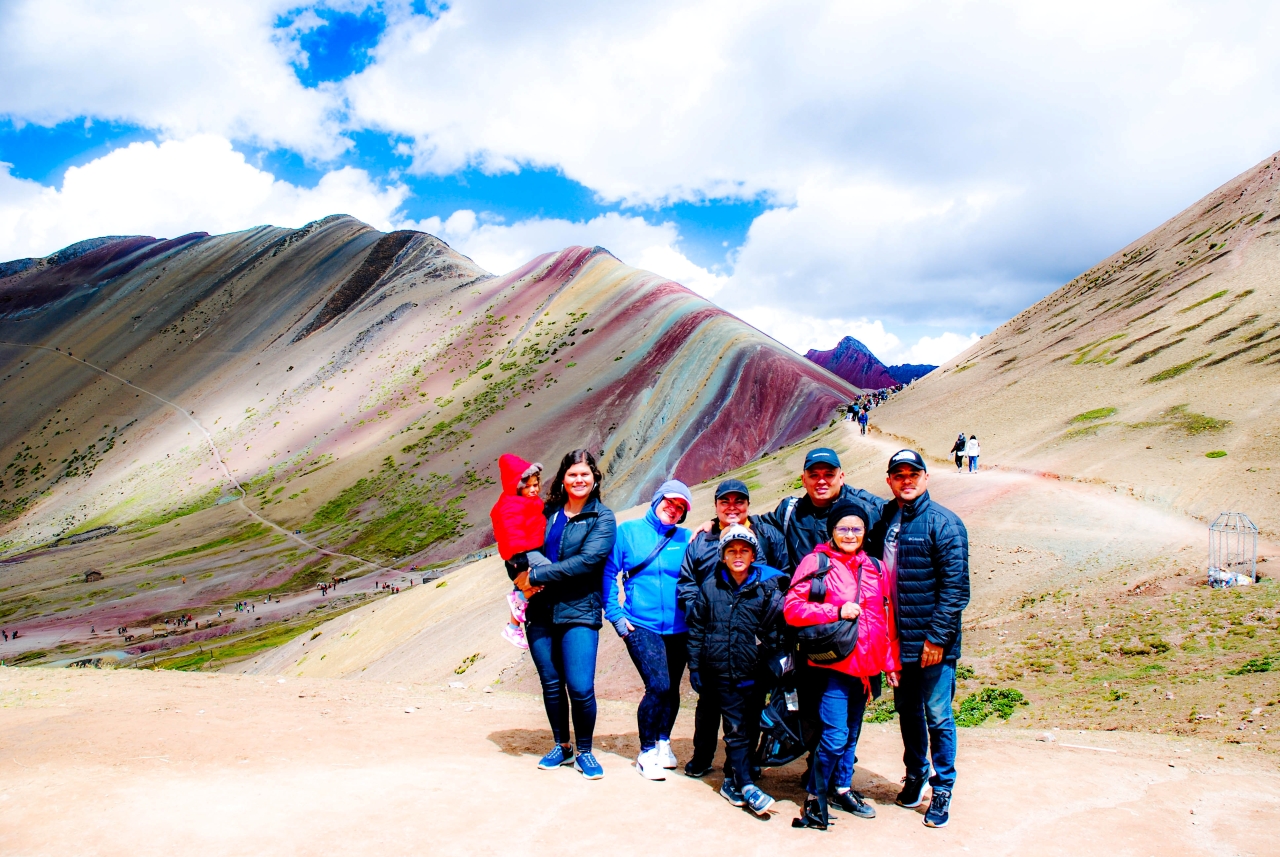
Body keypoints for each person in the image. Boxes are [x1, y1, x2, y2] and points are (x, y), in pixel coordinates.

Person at [863, 449, 970, 829]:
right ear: (890, 481)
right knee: (907, 713)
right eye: (899, 475)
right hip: (897, 641)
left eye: (913, 474)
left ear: (926, 478)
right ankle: (916, 774)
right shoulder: (886, 520)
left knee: (938, 714)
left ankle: (943, 788)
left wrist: (936, 639)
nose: (906, 481)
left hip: (932, 642)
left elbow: (955, 590)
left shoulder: (944, 523)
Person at [785, 499, 901, 830]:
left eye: (856, 528)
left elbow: (884, 619)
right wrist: (835, 611)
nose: (850, 534)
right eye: (843, 528)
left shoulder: (876, 567)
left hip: (866, 669)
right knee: (835, 737)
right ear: (832, 531)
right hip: (832, 667)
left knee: (850, 736)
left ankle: (842, 788)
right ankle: (814, 798)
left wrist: (889, 663)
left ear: (865, 532)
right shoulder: (816, 562)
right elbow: (792, 608)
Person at [677, 479, 786, 779]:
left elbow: (774, 581)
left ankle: (741, 764)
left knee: (749, 708)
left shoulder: (762, 535)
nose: (732, 507)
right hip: (711, 637)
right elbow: (686, 582)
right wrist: (700, 607)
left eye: (739, 501)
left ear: (748, 505)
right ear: (716, 506)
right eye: (725, 502)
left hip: (749, 645)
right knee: (708, 706)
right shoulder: (701, 541)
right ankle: (702, 756)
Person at [518, 449, 617, 780]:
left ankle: (585, 750)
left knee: (579, 686)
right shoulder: (546, 513)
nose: (579, 480)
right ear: (563, 478)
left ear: (594, 479)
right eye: (573, 474)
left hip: (579, 611)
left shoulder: (602, 518)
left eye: (585, 474)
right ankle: (562, 745)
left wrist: (536, 576)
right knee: (550, 684)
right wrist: (518, 577)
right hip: (541, 612)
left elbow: (588, 562)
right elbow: (520, 547)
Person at [686, 525, 786, 818]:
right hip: (721, 673)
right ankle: (744, 783)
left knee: (750, 723)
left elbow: (778, 631)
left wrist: (770, 657)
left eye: (744, 550)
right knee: (736, 728)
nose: (738, 555)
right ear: (723, 556)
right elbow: (697, 630)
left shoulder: (767, 587)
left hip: (754, 672)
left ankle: (733, 776)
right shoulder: (710, 587)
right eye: (732, 551)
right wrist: (695, 666)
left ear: (754, 555)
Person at [603, 479, 695, 780]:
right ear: (657, 499)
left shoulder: (686, 538)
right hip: (641, 624)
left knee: (672, 689)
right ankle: (646, 751)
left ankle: (664, 742)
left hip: (680, 627)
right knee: (658, 685)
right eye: (670, 501)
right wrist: (616, 616)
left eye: (681, 507)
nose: (674, 508)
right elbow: (607, 574)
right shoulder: (628, 532)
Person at [489, 453, 548, 649]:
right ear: (517, 486)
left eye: (536, 484)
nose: (534, 489)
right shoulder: (511, 505)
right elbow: (511, 532)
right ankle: (519, 600)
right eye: (528, 486)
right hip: (523, 553)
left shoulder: (526, 501)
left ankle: (513, 626)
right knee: (549, 571)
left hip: (530, 549)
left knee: (534, 584)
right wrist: (519, 559)